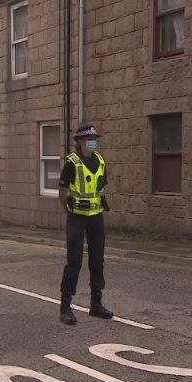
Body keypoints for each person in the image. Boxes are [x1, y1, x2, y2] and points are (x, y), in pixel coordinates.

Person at [57, 124, 113, 325]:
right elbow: (62, 193)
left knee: (97, 260)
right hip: (77, 218)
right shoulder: (71, 163)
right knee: (74, 261)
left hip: (96, 217)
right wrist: (70, 211)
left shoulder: (100, 160)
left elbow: (100, 186)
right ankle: (65, 307)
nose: (93, 142)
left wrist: (102, 200)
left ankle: (96, 304)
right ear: (79, 141)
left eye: (95, 138)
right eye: (89, 138)